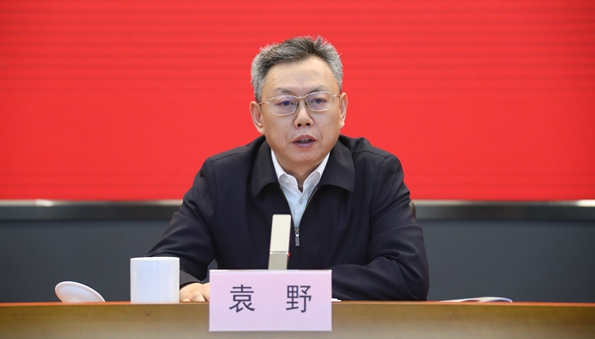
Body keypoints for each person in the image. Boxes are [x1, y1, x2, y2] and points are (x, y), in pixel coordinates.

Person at [147, 36, 429, 302]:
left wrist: (285, 287)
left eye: (318, 101)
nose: (303, 118)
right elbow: (162, 268)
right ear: (258, 116)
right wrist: (186, 288)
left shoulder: (376, 173)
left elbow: (407, 275)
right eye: (285, 103)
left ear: (341, 109)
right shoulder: (222, 178)